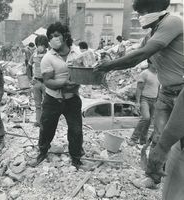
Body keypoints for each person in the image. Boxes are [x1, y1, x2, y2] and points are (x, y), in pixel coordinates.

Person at [95, 0, 184, 197]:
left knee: (174, 139)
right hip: (166, 93)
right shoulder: (149, 36)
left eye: (141, 11)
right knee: (159, 138)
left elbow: (141, 55)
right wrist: (109, 63)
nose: (138, 16)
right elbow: (133, 57)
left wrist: (109, 66)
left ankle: (175, 181)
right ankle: (153, 178)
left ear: (155, 9)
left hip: (181, 93)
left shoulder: (173, 22)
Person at [34, 22, 84, 169]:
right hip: (52, 99)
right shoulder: (47, 58)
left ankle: (76, 157)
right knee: (47, 128)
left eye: (57, 35)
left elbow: (83, 73)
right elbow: (48, 81)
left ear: (65, 35)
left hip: (72, 99)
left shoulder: (77, 53)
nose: (54, 39)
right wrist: (64, 84)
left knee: (76, 130)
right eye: (51, 37)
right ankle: (42, 151)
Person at [128, 59, 160, 146]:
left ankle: (143, 140)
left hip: (154, 100)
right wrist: (137, 102)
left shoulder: (158, 74)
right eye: (155, 62)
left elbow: (158, 88)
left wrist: (158, 100)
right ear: (150, 63)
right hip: (145, 99)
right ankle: (133, 138)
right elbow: (139, 88)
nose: (157, 63)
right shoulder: (145, 74)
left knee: (149, 121)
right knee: (146, 118)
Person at [28, 35, 48, 127]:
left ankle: (47, 121)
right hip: (36, 82)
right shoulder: (34, 55)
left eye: (42, 45)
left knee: (47, 103)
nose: (40, 47)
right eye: (38, 45)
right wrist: (30, 78)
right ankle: (38, 121)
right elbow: (28, 66)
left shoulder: (49, 55)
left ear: (45, 45)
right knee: (37, 104)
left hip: (47, 83)